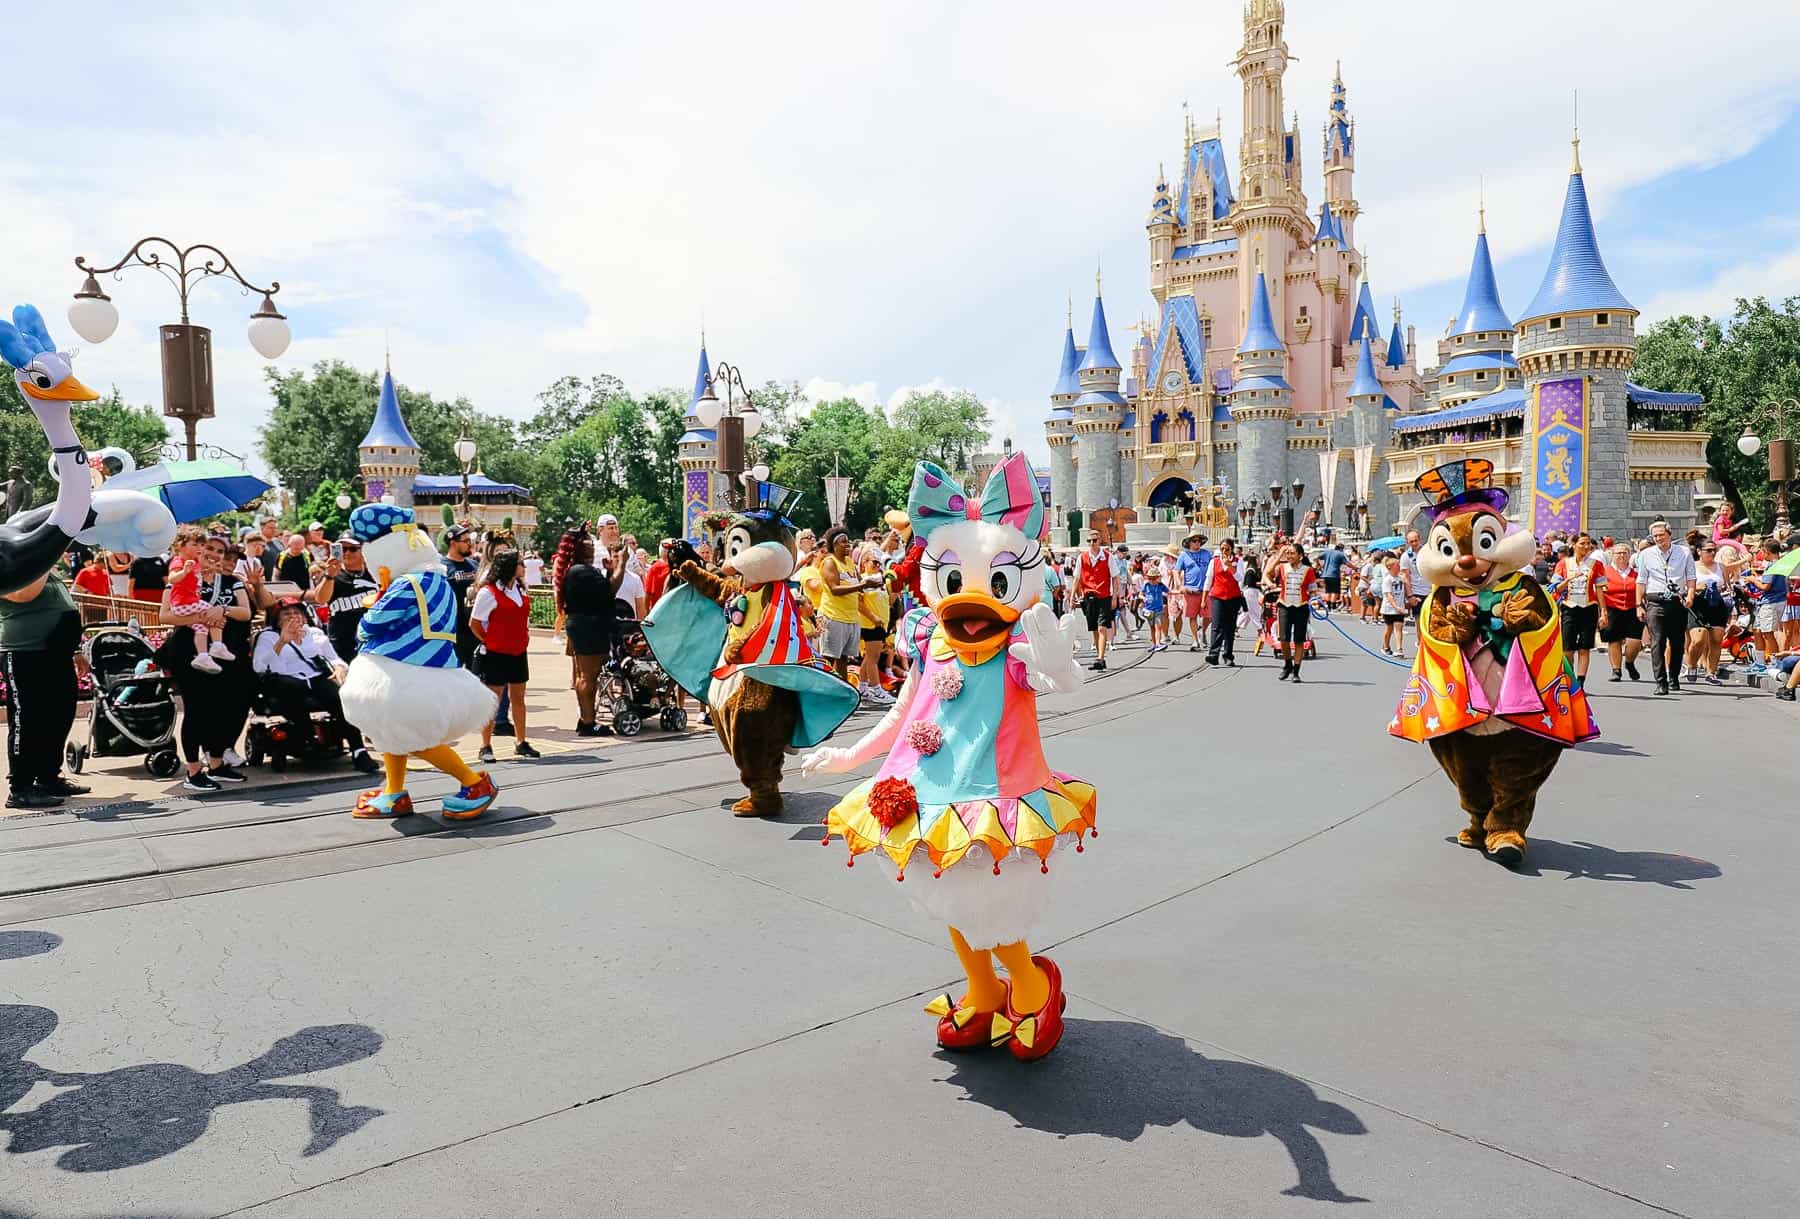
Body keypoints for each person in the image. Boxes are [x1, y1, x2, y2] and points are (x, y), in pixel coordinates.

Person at [158, 535, 256, 792]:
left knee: (220, 709)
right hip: (188, 652)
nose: (212, 554)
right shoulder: (184, 576)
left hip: (224, 652)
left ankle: (216, 763)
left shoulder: (232, 582)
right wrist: (201, 614)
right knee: (196, 710)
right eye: (207, 549)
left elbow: (246, 612)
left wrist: (221, 610)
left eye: (219, 551)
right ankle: (192, 770)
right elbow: (165, 615)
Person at [0, 564, 88, 808]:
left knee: (59, 715)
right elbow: (23, 594)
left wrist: (76, 649)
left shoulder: (44, 569)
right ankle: (20, 788)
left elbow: (62, 605)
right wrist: (43, 560)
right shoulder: (14, 568)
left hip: (55, 653)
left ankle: (48, 777)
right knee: (26, 720)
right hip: (23, 653)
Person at [252, 598, 374, 769]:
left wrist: (339, 669)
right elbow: (259, 666)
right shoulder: (268, 636)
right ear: (277, 619)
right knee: (295, 688)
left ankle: (359, 750)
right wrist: (281, 642)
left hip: (315, 677)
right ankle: (305, 739)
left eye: (297, 613)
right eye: (287, 614)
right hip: (285, 680)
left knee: (340, 698)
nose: (293, 617)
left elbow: (333, 658)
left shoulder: (315, 634)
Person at [472, 549, 538, 762]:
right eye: (520, 563)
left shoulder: (519, 589)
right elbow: (474, 623)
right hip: (497, 653)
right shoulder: (488, 593)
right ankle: (485, 745)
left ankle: (521, 742)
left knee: (518, 698)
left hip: (518, 650)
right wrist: (489, 640)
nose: (524, 567)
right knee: (493, 700)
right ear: (510, 567)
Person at [560, 536, 616, 737]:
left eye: (592, 546)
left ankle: (587, 718)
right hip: (588, 627)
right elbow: (610, 590)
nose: (592, 550)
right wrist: (622, 564)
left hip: (586, 625)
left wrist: (609, 571)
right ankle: (588, 721)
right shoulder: (581, 572)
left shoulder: (578, 571)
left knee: (586, 675)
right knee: (588, 676)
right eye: (587, 547)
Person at [1634, 519, 1695, 695]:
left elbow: (1690, 576)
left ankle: (1673, 676)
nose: (1659, 539)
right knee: (1657, 641)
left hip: (1677, 600)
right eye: (1655, 536)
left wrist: (1690, 594)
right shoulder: (1646, 555)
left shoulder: (1684, 552)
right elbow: (1641, 580)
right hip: (1655, 600)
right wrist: (1639, 605)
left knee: (1677, 642)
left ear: (1669, 535)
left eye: (1661, 535)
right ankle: (1660, 681)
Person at [310, 535, 380, 665]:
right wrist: (329, 575)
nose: (347, 553)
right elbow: (320, 599)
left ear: (363, 550)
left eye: (352, 549)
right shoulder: (333, 574)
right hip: (343, 641)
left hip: (372, 638)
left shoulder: (375, 572)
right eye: (343, 549)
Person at [1551, 533, 1606, 690]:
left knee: (1584, 647)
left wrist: (1603, 612)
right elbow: (1556, 588)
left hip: (1588, 608)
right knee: (1567, 649)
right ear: (1574, 545)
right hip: (1569, 607)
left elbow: (1600, 590)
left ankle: (1580, 682)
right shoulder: (1563, 564)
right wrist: (1569, 579)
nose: (1586, 547)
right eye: (1582, 543)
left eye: (1588, 543)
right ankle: (1569, 679)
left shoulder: (1596, 564)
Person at [815, 527, 869, 681]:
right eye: (843, 542)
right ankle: (821, 690)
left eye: (848, 542)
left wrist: (872, 584)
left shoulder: (849, 563)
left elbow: (860, 581)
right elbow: (834, 589)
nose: (848, 545)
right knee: (828, 658)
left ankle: (844, 692)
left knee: (843, 658)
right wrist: (861, 586)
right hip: (833, 616)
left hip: (850, 617)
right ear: (834, 545)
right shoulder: (829, 563)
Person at [1265, 542, 1317, 681]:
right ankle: (1287, 663)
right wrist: (1278, 556)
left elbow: (1313, 589)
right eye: (1288, 553)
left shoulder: (1308, 570)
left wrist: (1313, 597)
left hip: (1301, 606)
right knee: (1284, 638)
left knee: (1299, 640)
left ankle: (1296, 670)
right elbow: (1267, 573)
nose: (1289, 556)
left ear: (1300, 555)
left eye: (1292, 553)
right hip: (1284, 605)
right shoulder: (1282, 568)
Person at [1685, 539, 1729, 684]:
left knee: (1716, 640)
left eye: (1714, 550)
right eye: (1708, 550)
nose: (1712, 553)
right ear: (1699, 552)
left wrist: (1723, 590)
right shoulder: (1692, 566)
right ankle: (1691, 665)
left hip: (1717, 605)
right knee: (1699, 639)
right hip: (1697, 605)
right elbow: (1685, 587)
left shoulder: (1721, 567)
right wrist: (1698, 587)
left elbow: (1727, 587)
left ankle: (1711, 673)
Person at [855, 548, 895, 704]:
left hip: (880, 624)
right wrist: (873, 617)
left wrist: (896, 590)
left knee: (869, 657)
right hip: (870, 623)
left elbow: (889, 603)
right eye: (874, 562)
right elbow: (858, 603)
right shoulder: (863, 581)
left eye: (879, 563)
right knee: (874, 657)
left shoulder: (880, 581)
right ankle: (877, 689)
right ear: (864, 563)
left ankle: (863, 687)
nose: (878, 565)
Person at [1074, 530, 1117, 671]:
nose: (1092, 543)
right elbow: (1077, 578)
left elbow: (1115, 577)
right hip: (1089, 597)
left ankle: (1100, 658)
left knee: (1102, 627)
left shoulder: (1108, 557)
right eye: (1089, 541)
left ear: (1100, 541)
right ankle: (1100, 657)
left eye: (1095, 540)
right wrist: (1072, 596)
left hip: (1104, 596)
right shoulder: (1082, 558)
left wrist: (1115, 596)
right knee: (1094, 628)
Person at [1744, 538, 1786, 673]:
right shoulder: (1782, 563)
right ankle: (1760, 661)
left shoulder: (1773, 566)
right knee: (1758, 630)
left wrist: (1752, 580)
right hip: (1774, 601)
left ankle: (1775, 663)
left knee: (1768, 633)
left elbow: (1765, 586)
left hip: (1770, 602)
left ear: (1767, 551)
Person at [1204, 537, 1244, 666]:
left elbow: (1240, 577)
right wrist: (1204, 598)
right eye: (1222, 549)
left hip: (1233, 597)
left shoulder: (1238, 562)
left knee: (1229, 627)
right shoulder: (1214, 562)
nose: (1224, 551)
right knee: (1216, 625)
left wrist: (1230, 567)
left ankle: (1228, 655)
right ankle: (1213, 654)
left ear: (1232, 550)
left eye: (1227, 549)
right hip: (1217, 596)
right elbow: (1208, 580)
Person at [1174, 533, 1212, 652]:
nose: (1197, 543)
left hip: (1206, 589)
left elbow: (1213, 569)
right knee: (1192, 616)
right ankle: (1195, 640)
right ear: (1189, 542)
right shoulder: (1184, 555)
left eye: (1199, 540)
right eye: (1194, 541)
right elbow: (1176, 571)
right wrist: (1181, 586)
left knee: (1209, 616)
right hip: (1191, 590)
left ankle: (1203, 631)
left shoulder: (1206, 554)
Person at [1377, 553, 1408, 657]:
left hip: (1400, 607)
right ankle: (1386, 646)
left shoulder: (1400, 578)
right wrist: (1396, 607)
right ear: (1390, 567)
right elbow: (1389, 595)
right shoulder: (1387, 579)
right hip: (1388, 609)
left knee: (1399, 627)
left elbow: (1405, 591)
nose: (1399, 566)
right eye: (1397, 565)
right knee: (1389, 629)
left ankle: (1399, 649)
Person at [1141, 558, 1168, 651]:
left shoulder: (1161, 585)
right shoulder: (1146, 585)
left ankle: (1158, 643)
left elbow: (1169, 591)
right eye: (1150, 578)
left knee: (1158, 626)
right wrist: (1144, 598)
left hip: (1158, 609)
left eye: (1154, 578)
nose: (1152, 580)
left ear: (1158, 578)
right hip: (1149, 609)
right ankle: (1154, 643)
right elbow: (1141, 594)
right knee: (1152, 627)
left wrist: (1179, 592)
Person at [1319, 543, 1349, 611]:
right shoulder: (1340, 554)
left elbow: (1318, 557)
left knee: (1328, 591)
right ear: (1341, 549)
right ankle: (1333, 606)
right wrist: (1355, 568)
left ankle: (1328, 606)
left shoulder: (1328, 552)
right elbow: (1347, 563)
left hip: (1326, 574)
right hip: (1334, 575)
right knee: (1334, 592)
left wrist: (1322, 565)